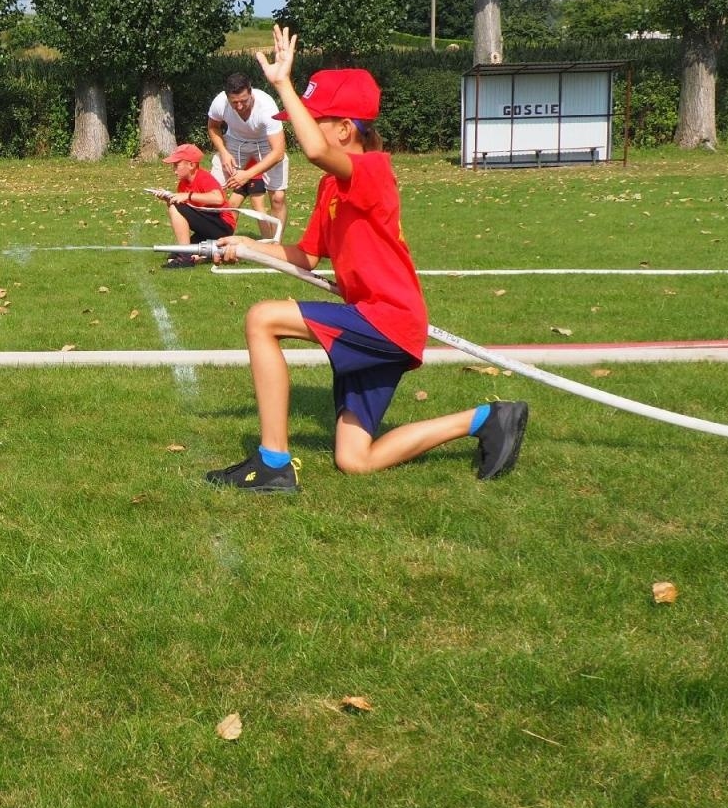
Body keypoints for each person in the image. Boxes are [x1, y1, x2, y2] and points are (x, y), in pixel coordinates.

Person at [207, 26, 528, 492]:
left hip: (389, 320)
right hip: (375, 321)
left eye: (314, 119)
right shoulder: (329, 187)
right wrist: (248, 247)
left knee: (262, 319)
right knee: (355, 460)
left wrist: (282, 84)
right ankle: (488, 418)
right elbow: (306, 256)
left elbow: (315, 151)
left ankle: (273, 462)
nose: (303, 131)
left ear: (344, 129)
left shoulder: (373, 171)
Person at [208, 72, 289, 235]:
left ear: (251, 92)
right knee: (213, 192)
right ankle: (212, 240)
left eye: (243, 101)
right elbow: (213, 127)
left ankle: (274, 245)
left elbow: (278, 152)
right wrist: (223, 152)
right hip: (235, 142)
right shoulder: (219, 103)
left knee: (278, 198)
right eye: (234, 102)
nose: (239, 106)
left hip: (266, 145)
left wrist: (247, 175)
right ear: (227, 97)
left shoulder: (266, 106)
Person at [160, 142, 235, 269]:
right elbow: (183, 213)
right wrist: (168, 199)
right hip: (206, 226)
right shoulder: (183, 184)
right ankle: (201, 254)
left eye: (176, 165)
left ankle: (186, 257)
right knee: (172, 255)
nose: (174, 169)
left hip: (222, 225)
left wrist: (188, 196)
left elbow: (218, 198)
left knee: (182, 251)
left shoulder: (204, 177)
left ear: (191, 165)